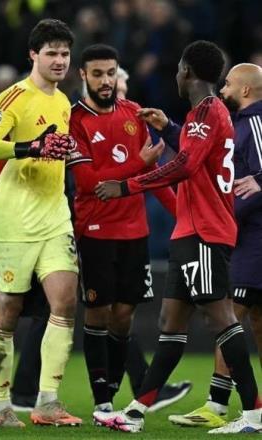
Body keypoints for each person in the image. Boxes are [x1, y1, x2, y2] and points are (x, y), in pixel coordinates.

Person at [94, 40, 261, 434]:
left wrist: (127, 186)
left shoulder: (207, 112)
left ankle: (254, 413)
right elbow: (196, 153)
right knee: (170, 321)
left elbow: (185, 165)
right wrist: (168, 128)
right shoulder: (207, 114)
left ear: (186, 71)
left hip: (205, 231)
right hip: (192, 229)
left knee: (222, 319)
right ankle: (136, 412)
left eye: (178, 69)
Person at [65, 43, 188, 422]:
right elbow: (88, 182)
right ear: (83, 76)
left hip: (135, 231)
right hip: (95, 230)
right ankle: (102, 400)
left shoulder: (134, 112)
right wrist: (138, 162)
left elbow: (152, 176)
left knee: (124, 315)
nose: (106, 81)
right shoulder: (75, 120)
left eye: (110, 73)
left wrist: (183, 216)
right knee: (98, 313)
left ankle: (114, 390)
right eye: (97, 74)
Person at [0, 18, 81, 428]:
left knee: (65, 302)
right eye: (51, 53)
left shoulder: (63, 102)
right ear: (33, 55)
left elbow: (51, 151)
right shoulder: (14, 96)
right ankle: (2, 408)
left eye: (64, 53)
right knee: (7, 312)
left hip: (54, 217)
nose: (59, 60)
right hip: (11, 223)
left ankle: (48, 402)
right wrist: (29, 147)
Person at [165, 63, 262, 428]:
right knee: (253, 318)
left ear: (246, 91)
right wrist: (169, 129)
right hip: (243, 233)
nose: (222, 90)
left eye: (229, 85)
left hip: (252, 237)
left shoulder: (255, 123)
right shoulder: (238, 123)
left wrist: (231, 209)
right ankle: (224, 405)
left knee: (227, 316)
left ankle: (221, 406)